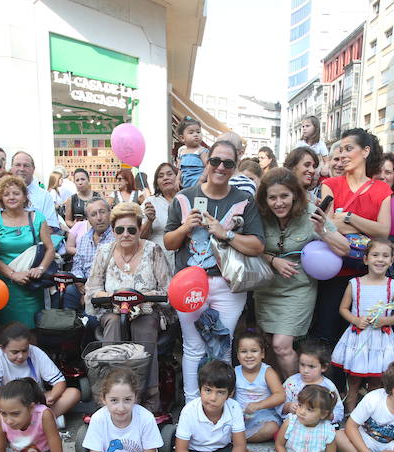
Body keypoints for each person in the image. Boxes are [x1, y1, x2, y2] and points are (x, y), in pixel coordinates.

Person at [164, 140, 265, 402]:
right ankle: (191, 406)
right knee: (194, 347)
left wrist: (226, 233)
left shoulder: (244, 201)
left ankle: (220, 404)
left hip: (227, 283)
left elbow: (256, 245)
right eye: (216, 161)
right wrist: (186, 228)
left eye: (228, 163)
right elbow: (169, 242)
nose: (221, 167)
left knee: (223, 345)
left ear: (234, 167)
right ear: (207, 162)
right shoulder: (184, 197)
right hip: (190, 283)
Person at [254, 168, 348, 375]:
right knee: (269, 346)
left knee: (281, 345)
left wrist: (322, 230)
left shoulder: (311, 212)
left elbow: (344, 248)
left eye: (284, 196)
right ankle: (278, 392)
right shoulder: (259, 215)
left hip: (298, 289)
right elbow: (249, 247)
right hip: (266, 289)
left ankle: (298, 394)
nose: (279, 203)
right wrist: (272, 260)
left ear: (295, 195)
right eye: (272, 197)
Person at [314, 129, 392, 363]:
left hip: (368, 275)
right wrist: (366, 226)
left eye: (349, 149)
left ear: (366, 151)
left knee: (365, 338)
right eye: (341, 150)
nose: (343, 154)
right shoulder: (331, 184)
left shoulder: (381, 189)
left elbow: (384, 231)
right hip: (334, 271)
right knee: (328, 334)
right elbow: (328, 226)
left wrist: (348, 217)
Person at [84, 202, 170, 410]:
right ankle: (110, 392)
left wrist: (141, 298)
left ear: (140, 229)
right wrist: (114, 297)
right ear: (113, 231)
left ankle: (147, 395)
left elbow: (167, 290)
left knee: (143, 327)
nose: (126, 234)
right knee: (113, 324)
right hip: (112, 310)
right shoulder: (104, 252)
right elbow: (92, 288)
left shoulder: (153, 250)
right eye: (120, 230)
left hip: (147, 310)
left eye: (132, 229)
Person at [171, 360, 262, 452]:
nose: (213, 398)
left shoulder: (234, 407)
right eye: (208, 390)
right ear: (200, 389)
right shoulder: (189, 411)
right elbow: (181, 451)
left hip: (223, 451)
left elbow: (239, 444)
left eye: (220, 392)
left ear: (230, 394)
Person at [331, 239, 394, 412]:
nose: (380, 259)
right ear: (366, 259)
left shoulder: (393, 286)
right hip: (359, 338)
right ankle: (349, 411)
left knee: (377, 381)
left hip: (381, 341)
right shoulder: (355, 284)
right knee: (354, 380)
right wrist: (355, 320)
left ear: (392, 260)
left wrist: (384, 321)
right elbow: (343, 308)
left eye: (385, 256)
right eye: (375, 255)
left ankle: (370, 413)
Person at [0, 175, 55, 328]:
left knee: (33, 328)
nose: (11, 197)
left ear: (25, 196)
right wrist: (13, 275)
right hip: (5, 285)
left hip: (30, 284)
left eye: (16, 193)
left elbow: (50, 248)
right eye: (6, 194)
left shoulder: (38, 218)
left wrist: (40, 268)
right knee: (6, 330)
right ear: (1, 199)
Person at [0, 322, 79, 426]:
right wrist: (16, 407)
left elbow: (59, 382)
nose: (20, 356)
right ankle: (44, 422)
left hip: (35, 402)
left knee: (73, 393)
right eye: (15, 352)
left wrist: (53, 397)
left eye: (24, 351)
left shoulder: (35, 352)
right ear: (3, 349)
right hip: (10, 407)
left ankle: (37, 423)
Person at [232, 332, 285, 442]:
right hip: (239, 416)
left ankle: (239, 438)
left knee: (272, 428)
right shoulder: (235, 372)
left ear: (262, 354)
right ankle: (237, 435)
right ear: (237, 355)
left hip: (263, 416)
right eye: (243, 351)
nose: (249, 355)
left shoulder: (267, 372)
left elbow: (280, 395)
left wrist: (259, 405)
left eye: (254, 351)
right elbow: (228, 396)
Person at [280, 338, 342, 425]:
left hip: (320, 428)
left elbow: (338, 410)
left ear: (324, 367)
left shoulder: (328, 386)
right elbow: (279, 403)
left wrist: (324, 415)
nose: (305, 370)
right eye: (302, 365)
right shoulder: (292, 382)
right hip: (295, 425)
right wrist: (288, 407)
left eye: (311, 366)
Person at [68, 197, 114, 312]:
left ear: (110, 213)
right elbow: (77, 265)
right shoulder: (85, 238)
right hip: (83, 284)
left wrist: (91, 291)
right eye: (93, 214)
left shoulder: (116, 238)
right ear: (88, 219)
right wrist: (79, 282)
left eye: (102, 212)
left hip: (106, 287)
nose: (99, 218)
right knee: (68, 292)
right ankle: (72, 324)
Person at [9, 151, 61, 230]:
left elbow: (51, 226)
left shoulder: (45, 196)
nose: (21, 169)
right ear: (11, 168)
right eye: (17, 165)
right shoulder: (0, 195)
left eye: (26, 165)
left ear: (33, 169)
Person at [141, 162, 179, 270]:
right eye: (161, 176)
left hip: (184, 259)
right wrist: (149, 221)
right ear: (157, 183)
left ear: (178, 177)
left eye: (169, 174)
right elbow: (141, 237)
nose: (165, 178)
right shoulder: (150, 202)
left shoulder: (186, 198)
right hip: (158, 259)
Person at [176, 116, 208, 189]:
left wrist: (202, 179)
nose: (196, 134)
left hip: (198, 183)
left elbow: (208, 166)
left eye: (198, 132)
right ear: (182, 138)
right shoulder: (182, 152)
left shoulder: (201, 151)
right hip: (185, 183)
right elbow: (180, 169)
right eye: (191, 132)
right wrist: (177, 179)